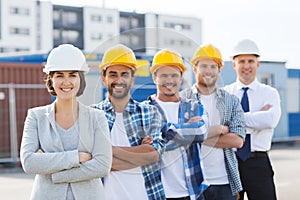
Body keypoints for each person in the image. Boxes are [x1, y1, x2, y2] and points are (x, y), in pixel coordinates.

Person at [20, 44, 112, 200]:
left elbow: (102, 166)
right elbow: (29, 162)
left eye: (72, 75)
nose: (66, 81)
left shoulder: (97, 117)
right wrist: (76, 157)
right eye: (60, 75)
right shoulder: (36, 117)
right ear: (51, 79)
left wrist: (53, 172)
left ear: (80, 78)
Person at [91, 44, 165, 200]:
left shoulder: (149, 112)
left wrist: (106, 151)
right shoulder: (91, 115)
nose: (119, 80)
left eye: (124, 74)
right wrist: (140, 151)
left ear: (132, 78)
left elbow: (153, 156)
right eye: (113, 74)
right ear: (104, 78)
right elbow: (91, 164)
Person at [180, 44, 245, 200]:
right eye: (203, 66)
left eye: (213, 66)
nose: (208, 71)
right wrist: (218, 130)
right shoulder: (182, 100)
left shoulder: (231, 101)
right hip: (191, 181)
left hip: (224, 182)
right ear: (194, 69)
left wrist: (197, 135)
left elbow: (237, 141)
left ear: (219, 70)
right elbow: (179, 137)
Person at [224, 39, 281, 200]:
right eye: (241, 61)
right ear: (234, 64)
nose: (246, 66)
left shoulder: (270, 93)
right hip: (230, 163)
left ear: (258, 64)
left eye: (250, 61)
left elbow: (270, 120)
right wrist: (256, 118)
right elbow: (220, 123)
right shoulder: (225, 94)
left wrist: (234, 121)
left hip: (259, 163)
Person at [147, 49, 207, 200]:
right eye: (164, 75)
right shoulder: (144, 109)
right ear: (155, 77)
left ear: (181, 78)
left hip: (191, 192)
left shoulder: (194, 106)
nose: (169, 80)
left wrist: (163, 131)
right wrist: (186, 132)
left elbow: (201, 132)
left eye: (174, 75)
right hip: (155, 193)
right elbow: (146, 149)